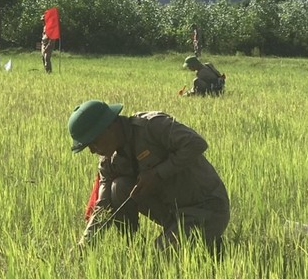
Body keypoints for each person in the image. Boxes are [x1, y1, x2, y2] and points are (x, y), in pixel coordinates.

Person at [68, 100, 230, 256]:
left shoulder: (152, 126)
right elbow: (103, 207)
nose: (92, 151)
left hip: (206, 207)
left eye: (94, 142)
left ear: (110, 127)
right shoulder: (108, 162)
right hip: (172, 214)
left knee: (158, 257)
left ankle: (207, 240)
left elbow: (197, 143)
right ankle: (135, 247)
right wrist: (84, 244)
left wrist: (158, 173)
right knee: (118, 187)